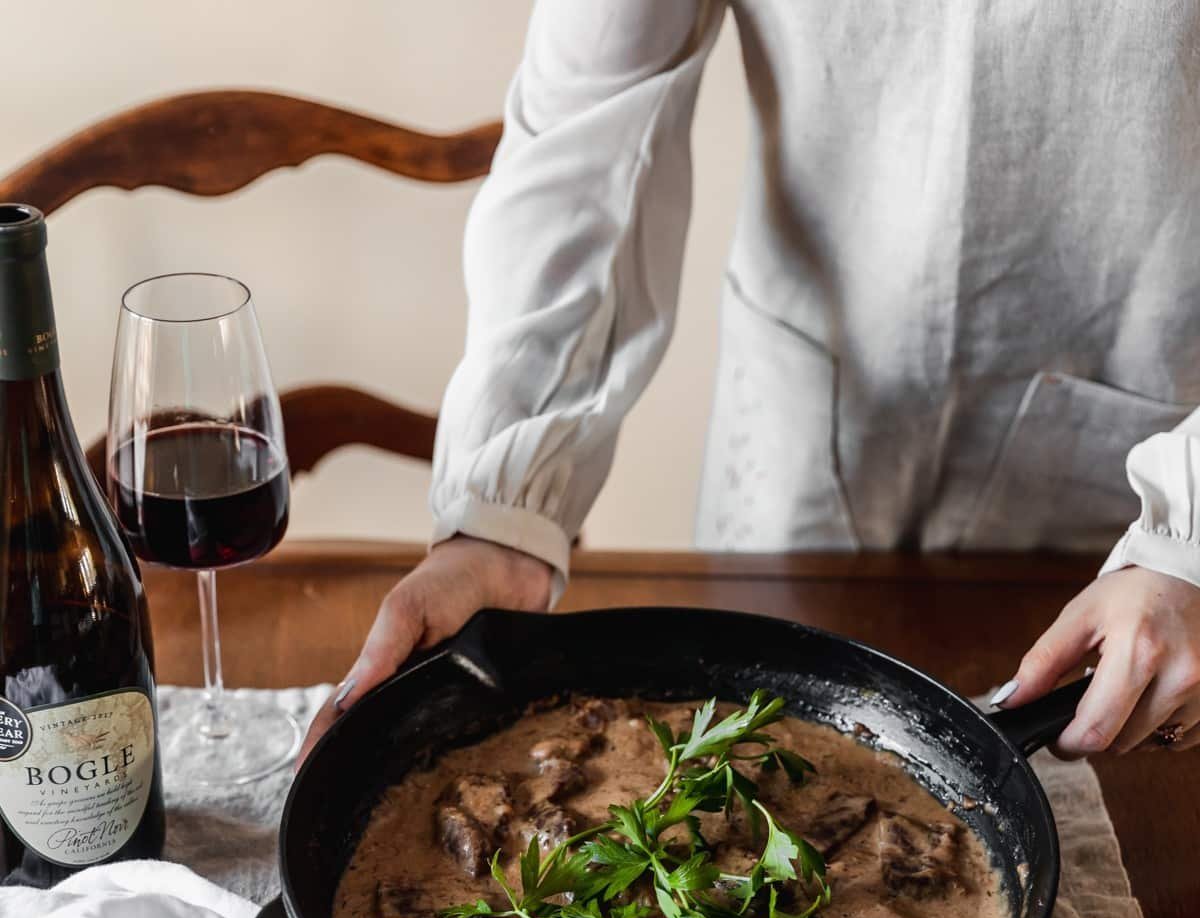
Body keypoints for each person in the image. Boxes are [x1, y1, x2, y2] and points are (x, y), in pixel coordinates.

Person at [300, 0, 1200, 762]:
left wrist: (1189, 538)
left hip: (1147, 512)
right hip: (803, 435)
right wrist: (501, 512)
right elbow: (593, 113)